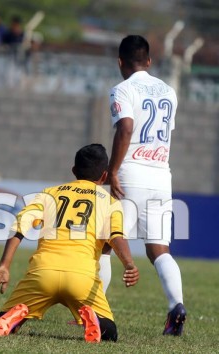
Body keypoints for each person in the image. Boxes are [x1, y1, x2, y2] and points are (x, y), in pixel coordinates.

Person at [0, 144, 139, 342]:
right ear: (104, 176)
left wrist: (4, 265)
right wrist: (129, 263)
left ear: (73, 170)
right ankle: (96, 322)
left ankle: (14, 318)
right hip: (81, 277)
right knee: (109, 333)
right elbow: (116, 237)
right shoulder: (109, 202)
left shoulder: (50, 193)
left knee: (1, 319)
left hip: (43, 272)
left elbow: (21, 224)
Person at [105, 34, 186, 336]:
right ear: (149, 61)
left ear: (120, 62)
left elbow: (126, 128)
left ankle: (94, 311)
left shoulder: (122, 89)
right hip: (161, 175)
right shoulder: (169, 91)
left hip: (131, 174)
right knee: (159, 250)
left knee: (105, 242)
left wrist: (112, 171)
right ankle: (176, 306)